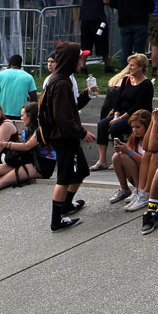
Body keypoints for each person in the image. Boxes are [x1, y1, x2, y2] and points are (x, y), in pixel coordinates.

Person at [38, 42, 95, 231]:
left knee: (81, 171)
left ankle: (66, 205)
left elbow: (70, 108)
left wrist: (86, 95)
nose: (82, 61)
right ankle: (56, 220)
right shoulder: (61, 83)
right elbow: (63, 117)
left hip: (65, 136)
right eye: (80, 58)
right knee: (63, 178)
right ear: (71, 59)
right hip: (64, 137)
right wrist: (82, 132)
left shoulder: (62, 79)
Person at [91, 53, 153, 170]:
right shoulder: (126, 80)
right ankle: (102, 160)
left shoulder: (146, 84)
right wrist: (116, 116)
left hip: (137, 116)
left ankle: (119, 156)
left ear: (141, 67)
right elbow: (118, 101)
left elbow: (137, 106)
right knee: (102, 125)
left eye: (132, 65)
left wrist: (120, 118)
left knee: (116, 126)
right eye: (129, 65)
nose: (129, 68)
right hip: (122, 114)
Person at [109, 0, 153, 65]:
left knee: (125, 50)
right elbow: (150, 8)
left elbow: (112, 3)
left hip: (124, 21)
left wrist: (121, 7)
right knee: (139, 52)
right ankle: (139, 73)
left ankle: (125, 73)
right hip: (141, 22)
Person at [107, 109, 150, 204]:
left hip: (149, 178)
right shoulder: (135, 138)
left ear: (147, 126)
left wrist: (128, 151)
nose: (135, 130)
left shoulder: (152, 139)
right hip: (136, 174)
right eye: (133, 127)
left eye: (138, 127)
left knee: (125, 156)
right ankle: (124, 189)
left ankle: (139, 190)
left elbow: (148, 163)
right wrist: (120, 149)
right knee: (117, 156)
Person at [78, 0, 113, 73]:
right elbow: (105, 0)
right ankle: (107, 65)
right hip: (98, 18)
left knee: (86, 42)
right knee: (102, 41)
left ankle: (83, 66)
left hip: (85, 17)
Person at [0, 54, 37, 119]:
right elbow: (34, 99)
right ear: (20, 65)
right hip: (21, 115)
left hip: (3, 114)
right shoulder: (28, 77)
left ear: (9, 63)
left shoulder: (1, 75)